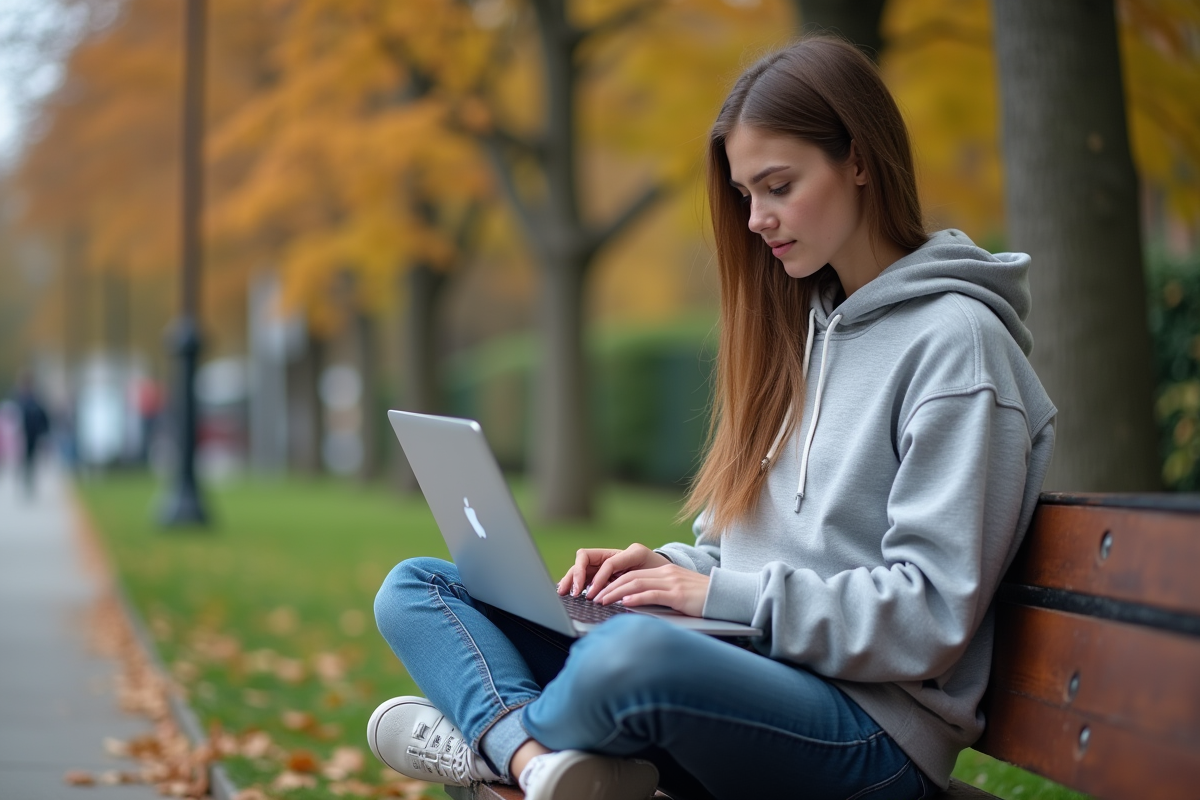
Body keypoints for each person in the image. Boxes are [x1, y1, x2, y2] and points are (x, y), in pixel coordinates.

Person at [368, 36, 1055, 800]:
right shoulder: (799, 330)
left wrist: (713, 597)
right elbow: (737, 558)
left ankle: (496, 742)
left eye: (778, 186)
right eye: (745, 195)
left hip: (871, 738)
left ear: (858, 160)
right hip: (744, 683)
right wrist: (664, 573)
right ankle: (540, 765)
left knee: (630, 660)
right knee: (422, 588)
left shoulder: (958, 347)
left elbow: (927, 618)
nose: (757, 219)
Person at [14, 373, 51, 496]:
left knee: (30, 460)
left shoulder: (33, 400)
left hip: (32, 435)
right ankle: (25, 480)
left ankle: (28, 482)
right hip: (23, 435)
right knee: (25, 460)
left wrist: (43, 432)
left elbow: (42, 416)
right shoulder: (20, 399)